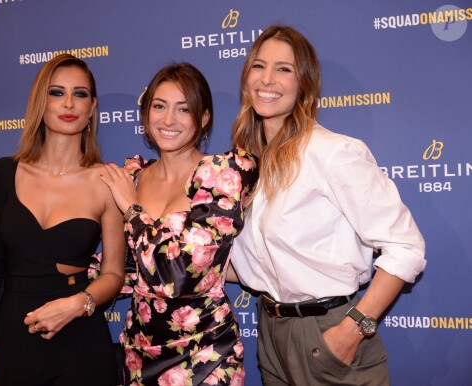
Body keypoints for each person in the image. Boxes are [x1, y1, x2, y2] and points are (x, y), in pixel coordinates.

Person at [230, 25, 426, 385]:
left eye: (283, 69)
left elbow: (407, 247)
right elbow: (249, 262)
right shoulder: (245, 165)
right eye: (258, 66)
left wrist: (354, 330)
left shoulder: (333, 152)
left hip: (330, 333)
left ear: (303, 83)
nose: (267, 78)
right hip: (271, 336)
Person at [0, 54, 125, 386]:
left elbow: (113, 273)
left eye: (80, 94)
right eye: (57, 92)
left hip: (81, 339)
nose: (69, 103)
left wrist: (76, 305)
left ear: (92, 106)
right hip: (14, 337)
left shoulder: (108, 181)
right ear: (41, 101)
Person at [100, 62, 258, 385]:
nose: (168, 120)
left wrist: (132, 208)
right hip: (139, 354)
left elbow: (178, 274)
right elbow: (123, 268)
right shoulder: (134, 175)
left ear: (203, 118)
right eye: (159, 106)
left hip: (206, 358)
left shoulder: (222, 174)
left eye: (183, 109)